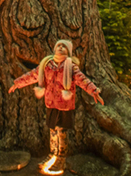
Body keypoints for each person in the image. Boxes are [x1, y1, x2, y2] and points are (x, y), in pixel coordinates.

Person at [8, 39, 104, 171]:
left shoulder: (70, 67)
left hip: (65, 105)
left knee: (62, 131)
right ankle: (52, 154)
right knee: (52, 130)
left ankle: (61, 158)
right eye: (58, 45)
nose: (60, 47)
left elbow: (82, 79)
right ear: (54, 49)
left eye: (64, 46)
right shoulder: (47, 65)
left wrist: (93, 90)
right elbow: (33, 75)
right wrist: (18, 83)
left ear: (68, 52)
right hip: (51, 103)